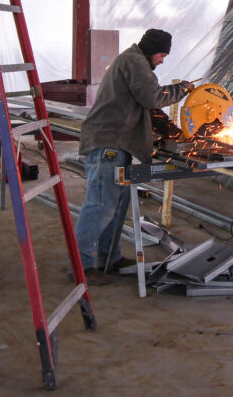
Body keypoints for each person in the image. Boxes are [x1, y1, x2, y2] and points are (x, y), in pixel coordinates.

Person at [74, 28, 192, 284]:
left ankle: (109, 259)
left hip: (119, 144)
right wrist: (181, 90)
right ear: (152, 50)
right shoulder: (135, 61)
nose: (162, 60)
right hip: (108, 144)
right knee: (100, 206)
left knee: (116, 208)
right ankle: (80, 267)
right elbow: (151, 97)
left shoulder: (135, 60)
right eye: (162, 55)